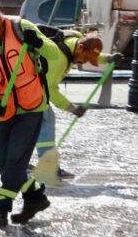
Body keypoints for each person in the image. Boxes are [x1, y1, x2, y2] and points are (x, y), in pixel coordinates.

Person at [0, 0, 60, 229]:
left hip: (32, 107)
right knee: (2, 160)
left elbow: (54, 53)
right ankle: (35, 198)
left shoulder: (22, 29)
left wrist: (37, 42)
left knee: (15, 159)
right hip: (3, 110)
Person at [34, 32, 123, 180]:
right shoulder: (59, 58)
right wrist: (72, 108)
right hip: (30, 89)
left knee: (32, 126)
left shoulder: (75, 39)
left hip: (34, 86)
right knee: (46, 119)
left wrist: (108, 58)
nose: (83, 62)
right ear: (80, 48)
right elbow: (49, 90)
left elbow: (90, 53)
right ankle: (48, 167)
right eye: (84, 59)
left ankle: (26, 162)